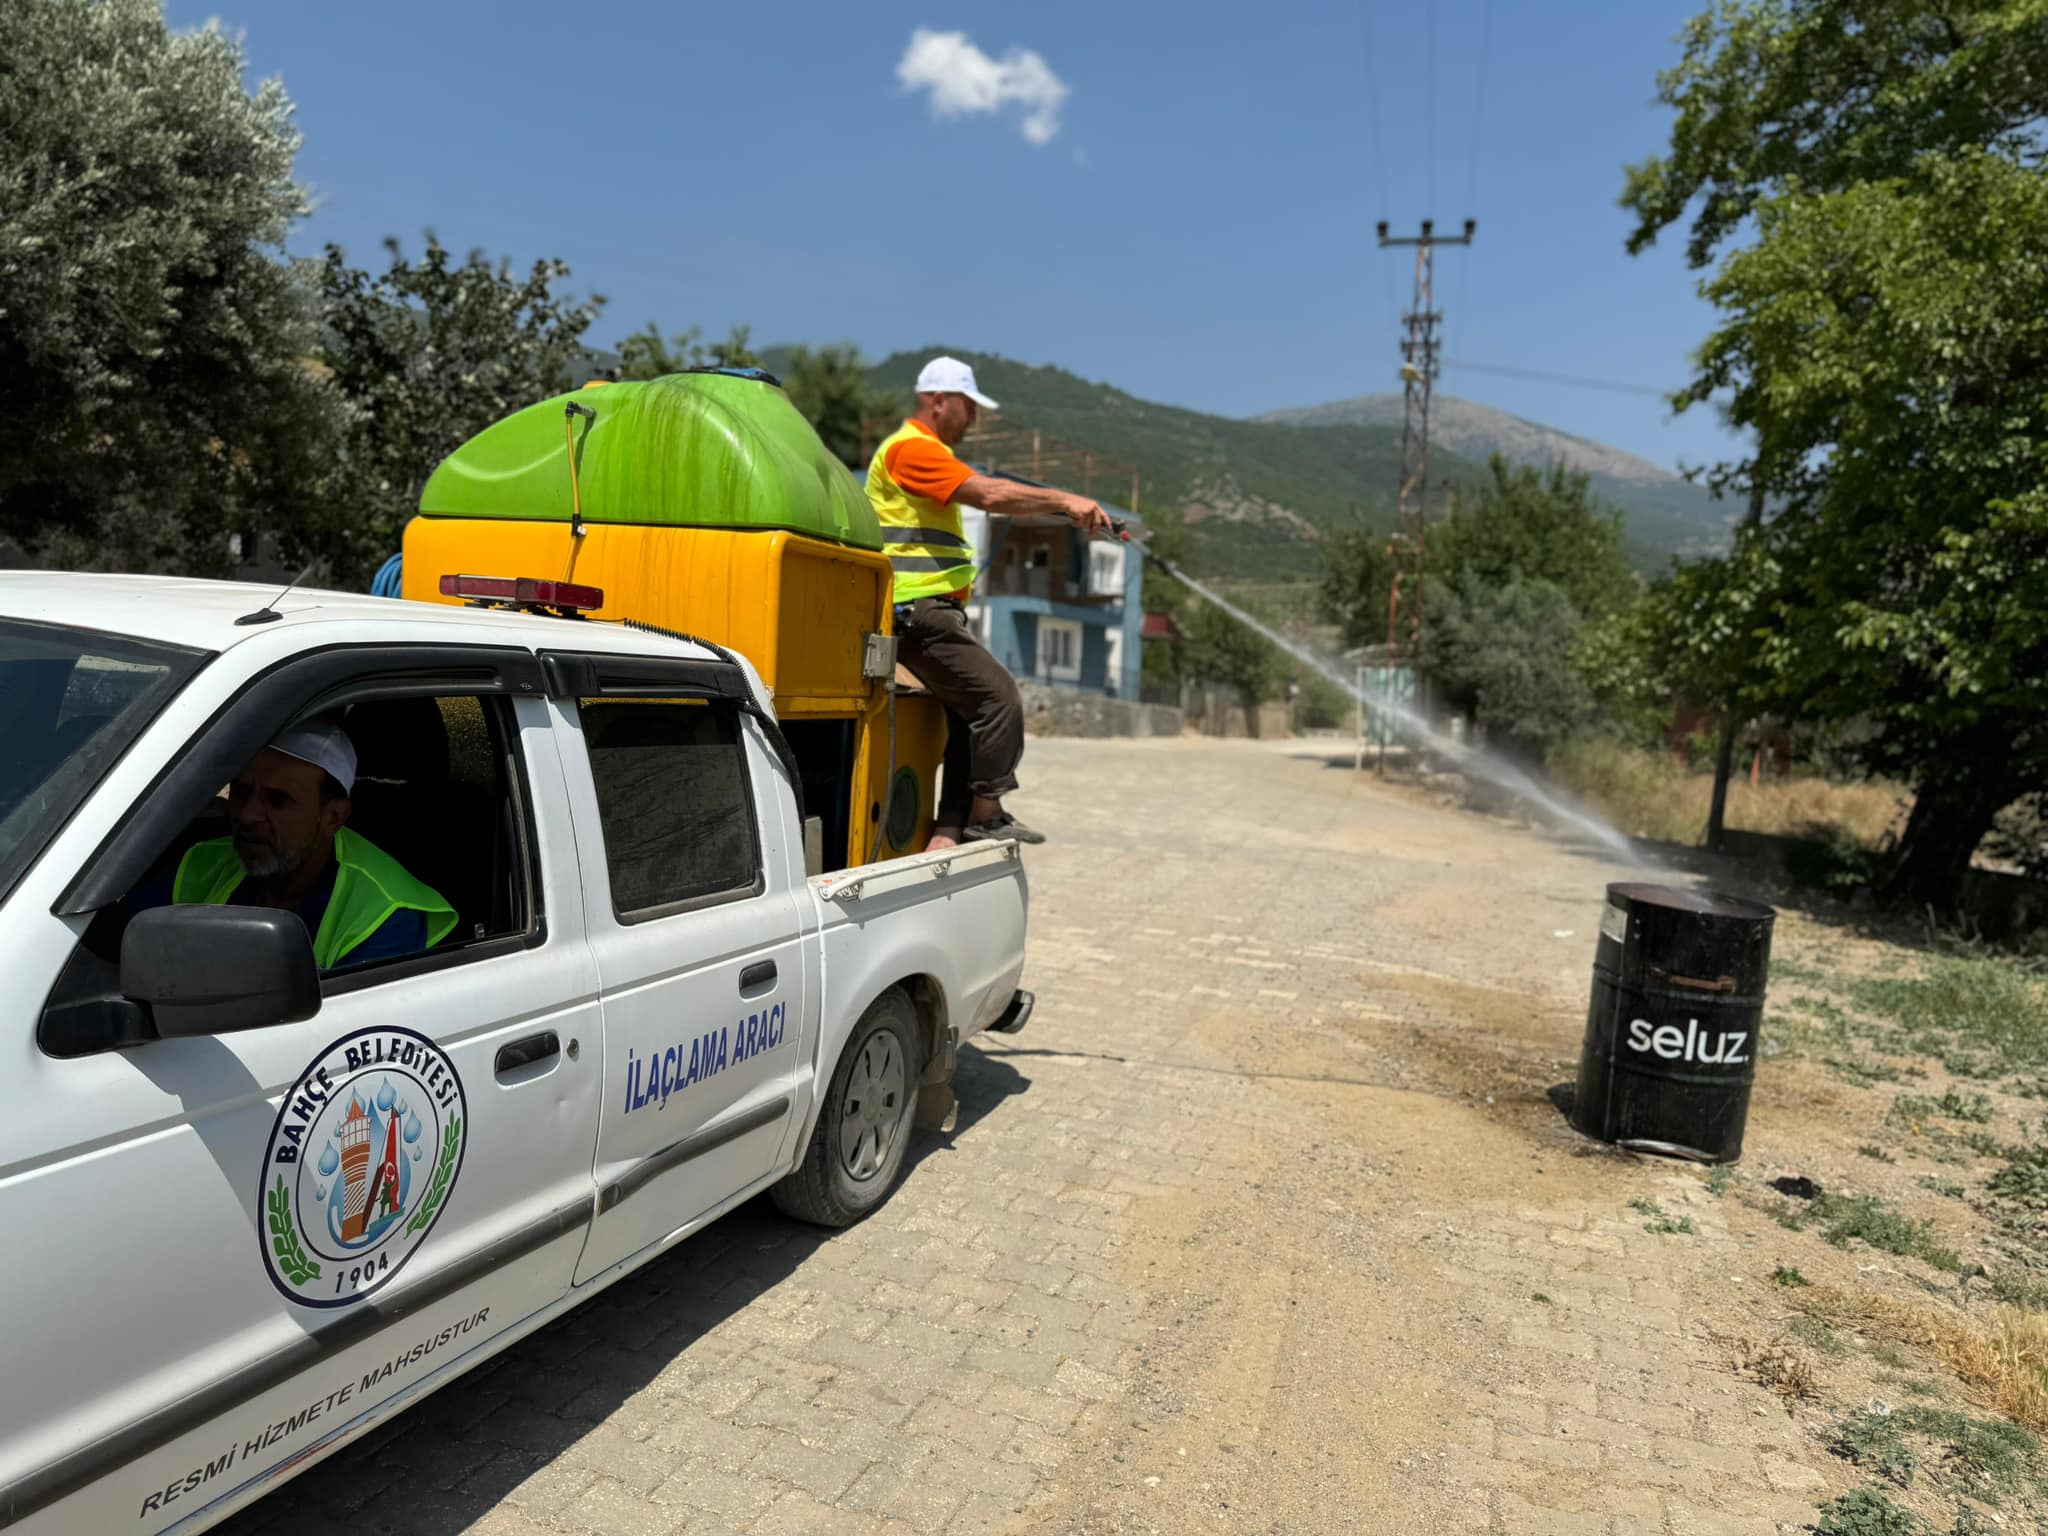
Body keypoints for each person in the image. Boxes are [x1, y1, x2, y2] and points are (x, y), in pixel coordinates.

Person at [866, 356, 1112, 848]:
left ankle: (949, 832)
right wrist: (1065, 501)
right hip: (917, 610)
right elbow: (990, 494)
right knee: (999, 699)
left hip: (926, 610)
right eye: (968, 406)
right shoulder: (913, 450)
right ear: (939, 401)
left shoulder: (923, 450)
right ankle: (987, 811)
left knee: (967, 715)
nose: (974, 419)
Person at [135, 719, 456, 970]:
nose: (247, 815)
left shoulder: (383, 912)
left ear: (333, 817)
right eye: (243, 791)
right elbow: (106, 955)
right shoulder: (201, 862)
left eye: (277, 800)